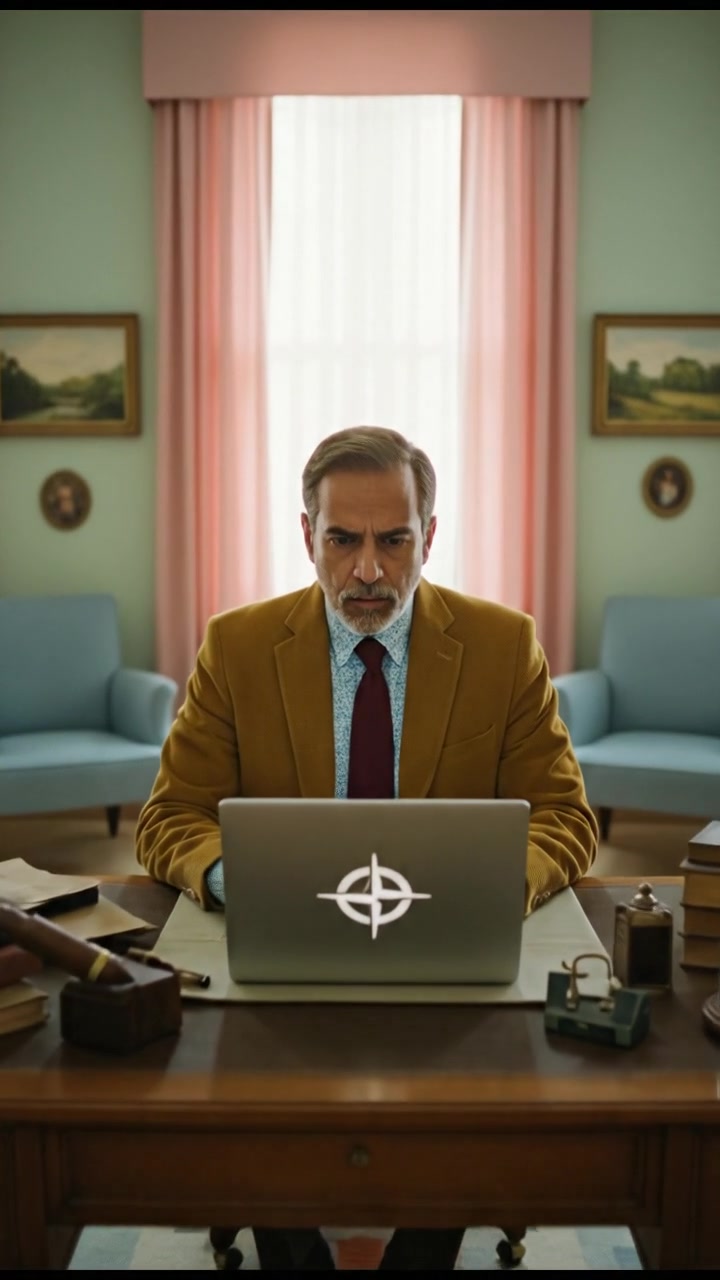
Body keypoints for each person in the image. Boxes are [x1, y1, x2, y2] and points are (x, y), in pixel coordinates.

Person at [137, 425, 598, 1271]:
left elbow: (566, 817)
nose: (369, 571)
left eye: (394, 541)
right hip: (284, 952)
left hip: (450, 954)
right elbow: (170, 816)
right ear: (307, 535)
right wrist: (242, 879)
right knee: (261, 1095)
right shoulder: (236, 647)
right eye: (343, 540)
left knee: (460, 1101)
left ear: (430, 535)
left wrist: (498, 883)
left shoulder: (503, 646)